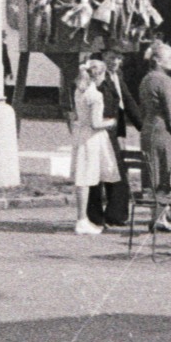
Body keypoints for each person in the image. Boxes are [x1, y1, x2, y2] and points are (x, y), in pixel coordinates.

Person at [86, 48, 143, 229]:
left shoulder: (117, 75)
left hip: (114, 130)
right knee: (99, 172)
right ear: (103, 57)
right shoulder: (98, 75)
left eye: (119, 58)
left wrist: (143, 126)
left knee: (116, 171)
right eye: (112, 57)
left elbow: (127, 101)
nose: (116, 62)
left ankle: (115, 214)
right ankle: (95, 216)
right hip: (101, 129)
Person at [136, 40, 171, 232]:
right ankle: (160, 217)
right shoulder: (165, 80)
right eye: (169, 58)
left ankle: (157, 215)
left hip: (148, 129)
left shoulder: (146, 79)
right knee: (165, 172)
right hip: (162, 131)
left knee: (153, 172)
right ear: (158, 60)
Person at [71, 61, 120, 235]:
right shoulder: (95, 95)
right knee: (87, 177)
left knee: (84, 176)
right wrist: (111, 122)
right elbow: (95, 123)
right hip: (92, 138)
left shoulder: (79, 91)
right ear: (99, 75)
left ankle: (84, 217)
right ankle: (82, 219)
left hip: (81, 135)